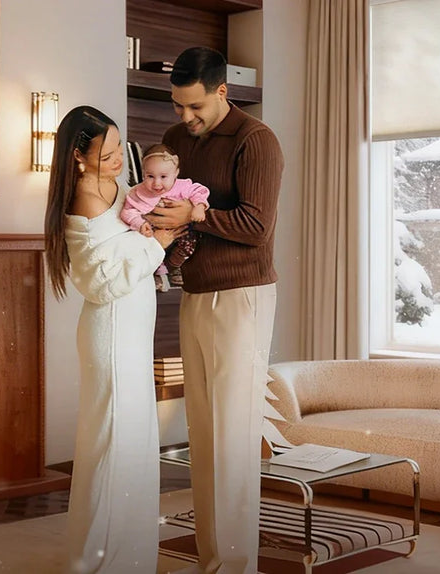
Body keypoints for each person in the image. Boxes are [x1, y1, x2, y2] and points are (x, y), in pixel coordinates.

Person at [144, 46, 284, 574]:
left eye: (194, 106)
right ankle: (212, 561)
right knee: (201, 431)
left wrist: (196, 214)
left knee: (233, 433)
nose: (184, 118)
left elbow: (256, 227)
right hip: (195, 293)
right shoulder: (178, 141)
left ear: (223, 91)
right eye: (177, 106)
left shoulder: (256, 140)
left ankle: (236, 565)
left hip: (243, 296)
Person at [44, 105, 183, 573]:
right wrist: (156, 245)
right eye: (105, 156)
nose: (118, 162)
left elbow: (131, 238)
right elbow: (100, 282)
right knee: (113, 445)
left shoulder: (117, 188)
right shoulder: (85, 195)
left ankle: (130, 557)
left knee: (134, 443)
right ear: (78, 158)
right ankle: (100, 562)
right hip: (112, 329)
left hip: (132, 326)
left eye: (118, 150)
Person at [120, 144, 211, 288]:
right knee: (147, 244)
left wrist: (199, 207)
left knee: (191, 241)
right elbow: (128, 211)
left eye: (163, 176)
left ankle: (174, 268)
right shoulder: (138, 192)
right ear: (143, 173)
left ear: (176, 173)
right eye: (150, 176)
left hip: (181, 231)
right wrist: (139, 223)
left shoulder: (182, 186)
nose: (157, 183)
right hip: (153, 232)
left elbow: (199, 191)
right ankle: (154, 273)